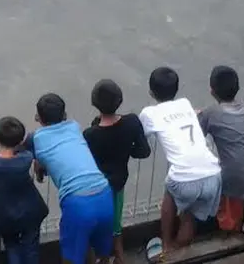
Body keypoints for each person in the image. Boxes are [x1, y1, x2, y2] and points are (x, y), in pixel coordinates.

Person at [22, 93, 114, 264]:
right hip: (105, 194)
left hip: (78, 203)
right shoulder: (74, 127)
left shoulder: (37, 138)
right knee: (103, 254)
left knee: (71, 257)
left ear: (38, 118)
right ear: (64, 115)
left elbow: (15, 143)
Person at [139, 67, 221, 255]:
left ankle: (166, 245)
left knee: (170, 196)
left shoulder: (149, 113)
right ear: (177, 89)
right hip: (213, 174)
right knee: (189, 216)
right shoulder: (185, 104)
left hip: (184, 178)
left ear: (151, 92)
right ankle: (180, 249)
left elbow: (141, 135)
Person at [83, 80, 151, 264]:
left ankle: (102, 259)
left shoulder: (90, 134)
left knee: (95, 227)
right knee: (115, 225)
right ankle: (120, 258)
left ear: (94, 102)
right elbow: (144, 151)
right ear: (120, 100)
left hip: (96, 188)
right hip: (118, 183)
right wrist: (126, 149)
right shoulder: (131, 122)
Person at [198, 66, 244, 235]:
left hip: (234, 177)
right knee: (242, 169)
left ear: (211, 90)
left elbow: (198, 134)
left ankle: (233, 232)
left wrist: (198, 115)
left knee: (230, 211)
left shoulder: (211, 113)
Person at [0, 111, 48, 264]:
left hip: (5, 218)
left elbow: (1, 154)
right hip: (31, 214)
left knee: (12, 246)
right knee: (31, 248)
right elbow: (15, 149)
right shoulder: (26, 158)